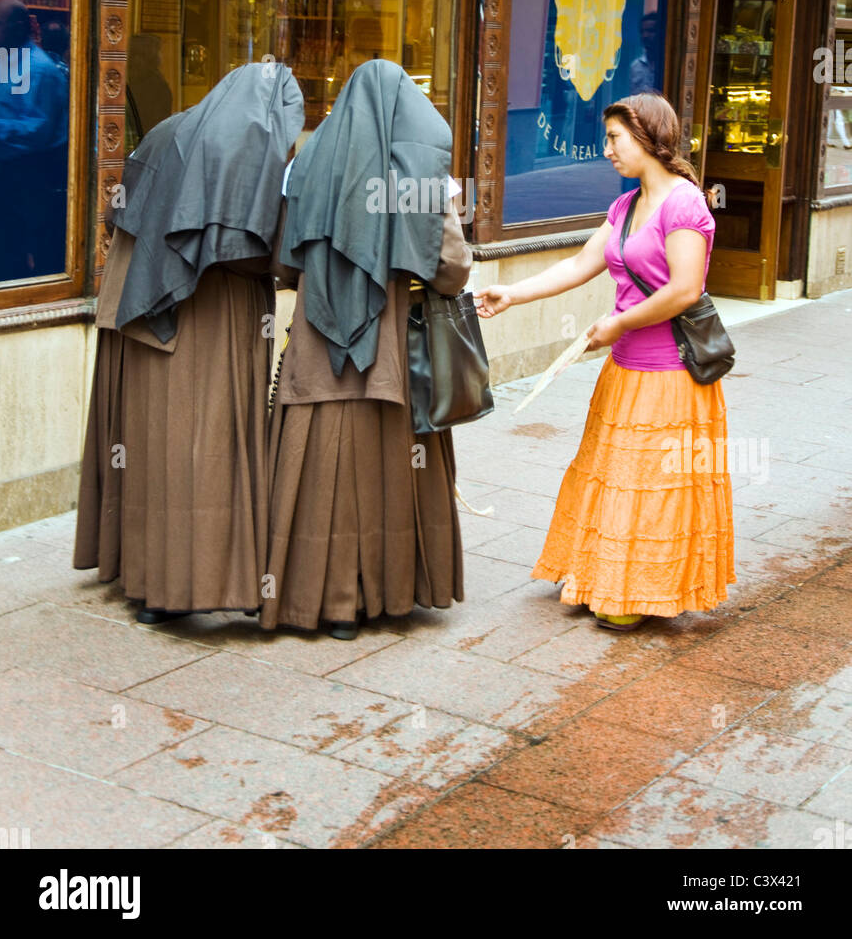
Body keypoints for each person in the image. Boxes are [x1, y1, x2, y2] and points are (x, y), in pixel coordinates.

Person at [477, 92, 734, 631]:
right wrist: (512, 294)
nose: (607, 149)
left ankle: (638, 591)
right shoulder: (624, 207)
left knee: (653, 486)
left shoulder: (684, 204)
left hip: (671, 376)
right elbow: (578, 264)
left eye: (615, 137)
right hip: (625, 371)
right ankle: (606, 576)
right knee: (618, 477)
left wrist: (618, 323)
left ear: (647, 138)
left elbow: (686, 289)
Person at [73, 62, 305, 624]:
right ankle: (189, 587)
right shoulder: (255, 157)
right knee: (206, 450)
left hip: (138, 312)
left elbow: (116, 214)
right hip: (216, 320)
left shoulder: (165, 132)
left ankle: (144, 580)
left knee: (147, 449)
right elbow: (270, 256)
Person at [262, 59, 472, 639]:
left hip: (313, 337)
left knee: (315, 462)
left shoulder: (306, 165)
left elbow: (283, 261)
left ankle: (310, 597)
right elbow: (451, 270)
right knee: (384, 461)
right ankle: (377, 594)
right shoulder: (421, 174)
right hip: (389, 342)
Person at [0, 0, 69, 281]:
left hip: (28, 176)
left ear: (19, 26)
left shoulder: (39, 70)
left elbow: (39, 130)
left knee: (13, 256)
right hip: (1, 171)